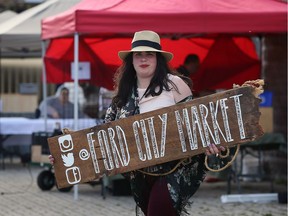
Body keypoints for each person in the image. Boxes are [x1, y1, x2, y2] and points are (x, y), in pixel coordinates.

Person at [49, 30, 225, 216]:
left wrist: (210, 142)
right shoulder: (123, 94)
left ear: (158, 59)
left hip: (174, 170)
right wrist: (66, 156)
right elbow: (102, 137)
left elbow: (196, 123)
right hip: (139, 175)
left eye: (149, 54)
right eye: (138, 54)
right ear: (131, 60)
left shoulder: (174, 85)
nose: (143, 59)